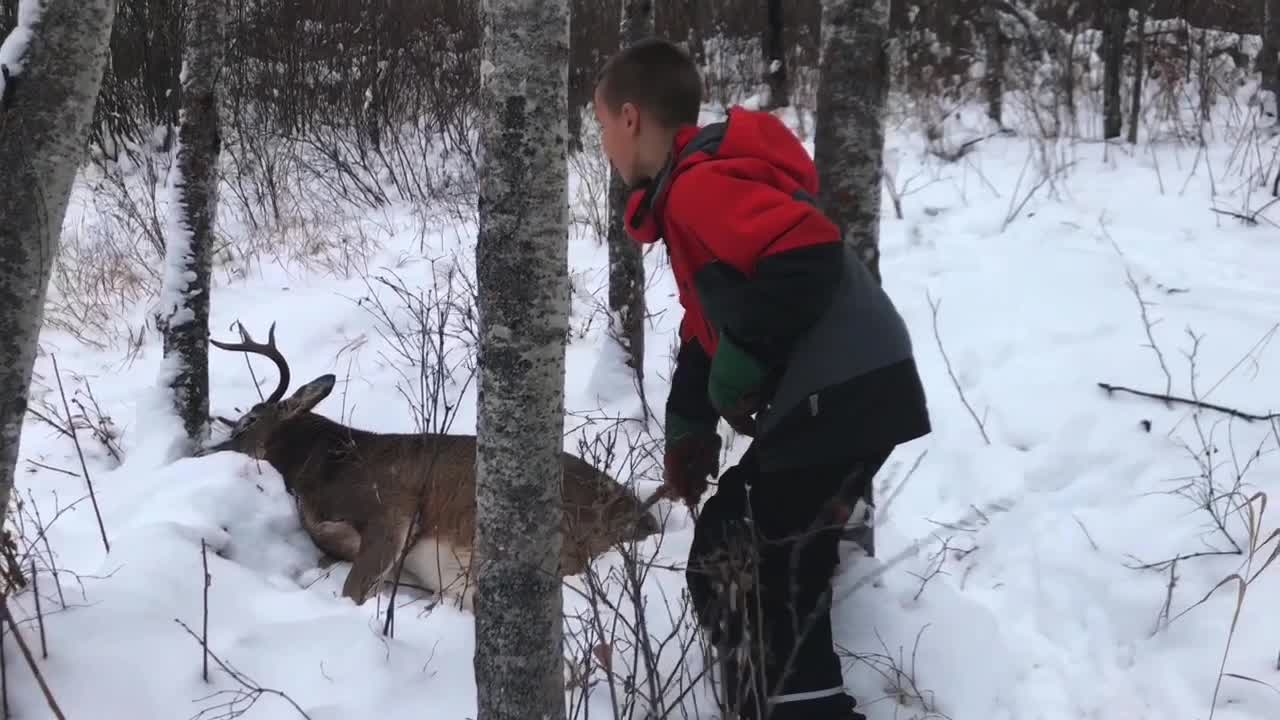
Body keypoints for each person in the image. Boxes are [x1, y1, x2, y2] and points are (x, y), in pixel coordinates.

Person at [592, 38, 932, 720]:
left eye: (599, 125)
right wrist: (689, 423)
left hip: (845, 390)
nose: (601, 141)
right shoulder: (690, 185)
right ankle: (768, 701)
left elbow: (807, 257)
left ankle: (796, 710)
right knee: (748, 548)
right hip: (856, 386)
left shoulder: (698, 186)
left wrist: (742, 361)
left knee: (749, 558)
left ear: (630, 118)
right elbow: (705, 323)